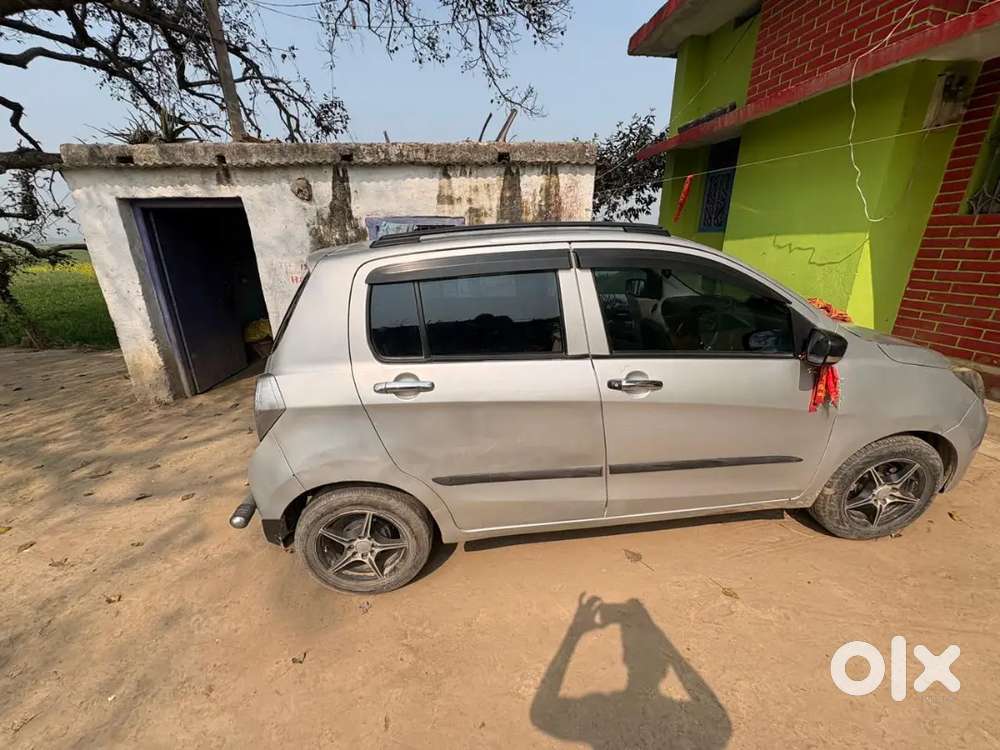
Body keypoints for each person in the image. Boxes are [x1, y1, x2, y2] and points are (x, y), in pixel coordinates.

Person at [531, 594, 731, 750]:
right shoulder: (683, 718)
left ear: (625, 661)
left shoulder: (604, 711)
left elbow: (540, 713)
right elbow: (717, 717)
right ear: (665, 671)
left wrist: (575, 633)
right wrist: (662, 641)